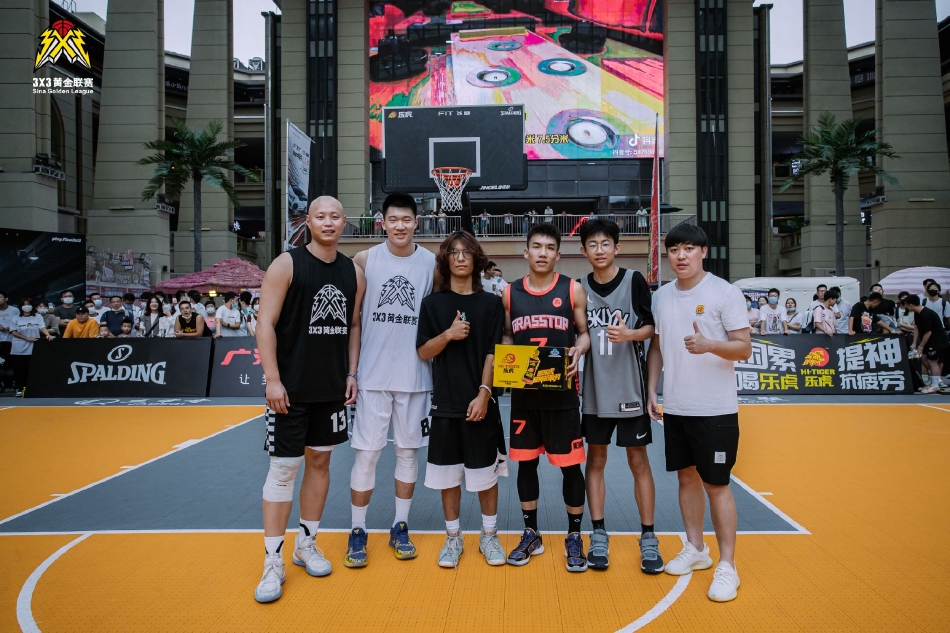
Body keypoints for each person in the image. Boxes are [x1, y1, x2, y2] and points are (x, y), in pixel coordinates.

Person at [254, 196, 366, 603]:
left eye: (335, 216)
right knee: (284, 468)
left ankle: (306, 542)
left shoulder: (354, 273)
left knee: (320, 462)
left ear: (344, 222)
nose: (328, 222)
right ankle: (272, 559)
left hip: (331, 389)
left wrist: (351, 374)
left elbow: (353, 325)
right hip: (290, 388)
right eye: (321, 216)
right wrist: (272, 379)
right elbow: (264, 323)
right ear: (309, 221)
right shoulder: (287, 264)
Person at [646, 223, 751, 603]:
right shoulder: (661, 296)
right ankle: (696, 548)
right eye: (675, 249)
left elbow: (744, 348)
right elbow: (657, 347)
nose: (681, 256)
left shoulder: (725, 292)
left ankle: (728, 565)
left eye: (689, 249)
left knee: (716, 484)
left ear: (703, 252)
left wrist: (709, 344)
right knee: (686, 479)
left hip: (715, 409)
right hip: (677, 406)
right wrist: (651, 389)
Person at [345, 192, 437, 568]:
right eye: (393, 219)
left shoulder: (431, 263)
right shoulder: (364, 260)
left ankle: (400, 525)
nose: (400, 226)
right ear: (382, 222)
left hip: (416, 376)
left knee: (407, 454)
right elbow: (353, 322)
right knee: (367, 455)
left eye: (406, 219)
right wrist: (351, 372)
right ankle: (357, 529)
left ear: (417, 222)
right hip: (372, 376)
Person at [417, 231, 508, 568]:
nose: (459, 257)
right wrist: (448, 334)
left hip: (482, 404)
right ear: (445, 259)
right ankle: (453, 538)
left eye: (466, 252)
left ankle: (489, 536)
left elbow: (493, 353)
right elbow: (424, 351)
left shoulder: (491, 304)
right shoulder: (432, 304)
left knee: (486, 476)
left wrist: (484, 393)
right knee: (448, 477)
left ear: (476, 259)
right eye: (453, 252)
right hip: (445, 405)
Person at [503, 223, 591, 572]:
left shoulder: (572, 289)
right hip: (525, 395)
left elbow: (584, 333)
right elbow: (507, 336)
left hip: (562, 394)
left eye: (549, 247)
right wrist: (508, 363)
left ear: (558, 254)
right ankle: (531, 533)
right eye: (537, 246)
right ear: (526, 252)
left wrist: (579, 350)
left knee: (571, 466)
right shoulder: (509, 293)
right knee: (526, 464)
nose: (543, 253)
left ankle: (574, 535)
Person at [577, 219, 662, 573]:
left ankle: (649, 538)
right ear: (583, 250)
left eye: (605, 243)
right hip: (595, 392)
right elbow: (578, 333)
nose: (599, 250)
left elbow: (652, 328)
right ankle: (598, 534)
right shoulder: (579, 288)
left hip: (630, 389)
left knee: (638, 462)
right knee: (595, 461)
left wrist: (630, 335)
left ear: (617, 247)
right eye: (592, 244)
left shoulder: (633, 280)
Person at [10, 298, 53, 396]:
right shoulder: (16, 318)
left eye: (28, 304)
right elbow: (13, 331)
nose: (27, 306)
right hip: (19, 348)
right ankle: (19, 388)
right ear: (21, 307)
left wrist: (48, 335)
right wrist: (26, 338)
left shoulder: (37, 316)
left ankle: (33, 388)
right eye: (24, 305)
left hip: (34, 347)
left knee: (33, 369)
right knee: (20, 369)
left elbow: (42, 327)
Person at [906, 295, 949, 394]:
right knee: (923, 358)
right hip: (929, 341)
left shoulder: (926, 314)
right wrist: (914, 342)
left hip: (937, 341)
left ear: (911, 305)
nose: (906, 307)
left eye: (907, 305)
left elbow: (928, 333)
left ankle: (935, 385)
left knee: (932, 361)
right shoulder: (917, 313)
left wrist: (920, 346)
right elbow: (916, 327)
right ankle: (934, 379)